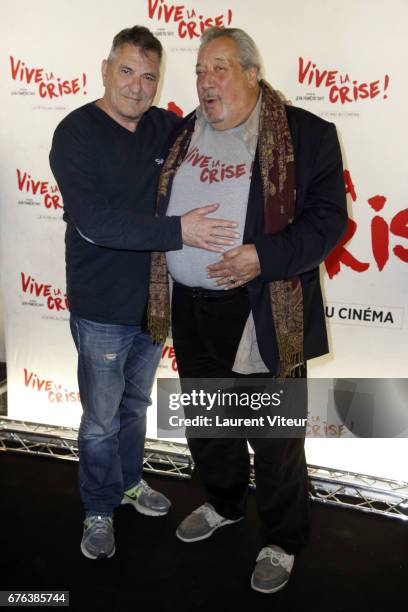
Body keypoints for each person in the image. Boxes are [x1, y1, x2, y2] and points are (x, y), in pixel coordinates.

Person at [148, 27, 347, 593]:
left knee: (275, 439)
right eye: (199, 71)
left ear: (252, 74)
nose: (205, 82)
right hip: (191, 309)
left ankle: (283, 540)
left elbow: (328, 222)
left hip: (260, 308)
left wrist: (263, 256)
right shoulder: (186, 131)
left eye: (219, 70)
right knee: (210, 425)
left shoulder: (306, 136)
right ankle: (224, 504)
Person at [49, 25, 239, 560]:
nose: (136, 86)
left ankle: (130, 483)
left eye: (148, 76)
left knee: (134, 407)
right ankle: (98, 506)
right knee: (101, 418)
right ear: (105, 69)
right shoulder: (76, 133)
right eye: (127, 71)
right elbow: (95, 223)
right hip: (102, 307)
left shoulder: (167, 128)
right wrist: (181, 230)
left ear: (159, 82)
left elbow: (222, 133)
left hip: (156, 304)